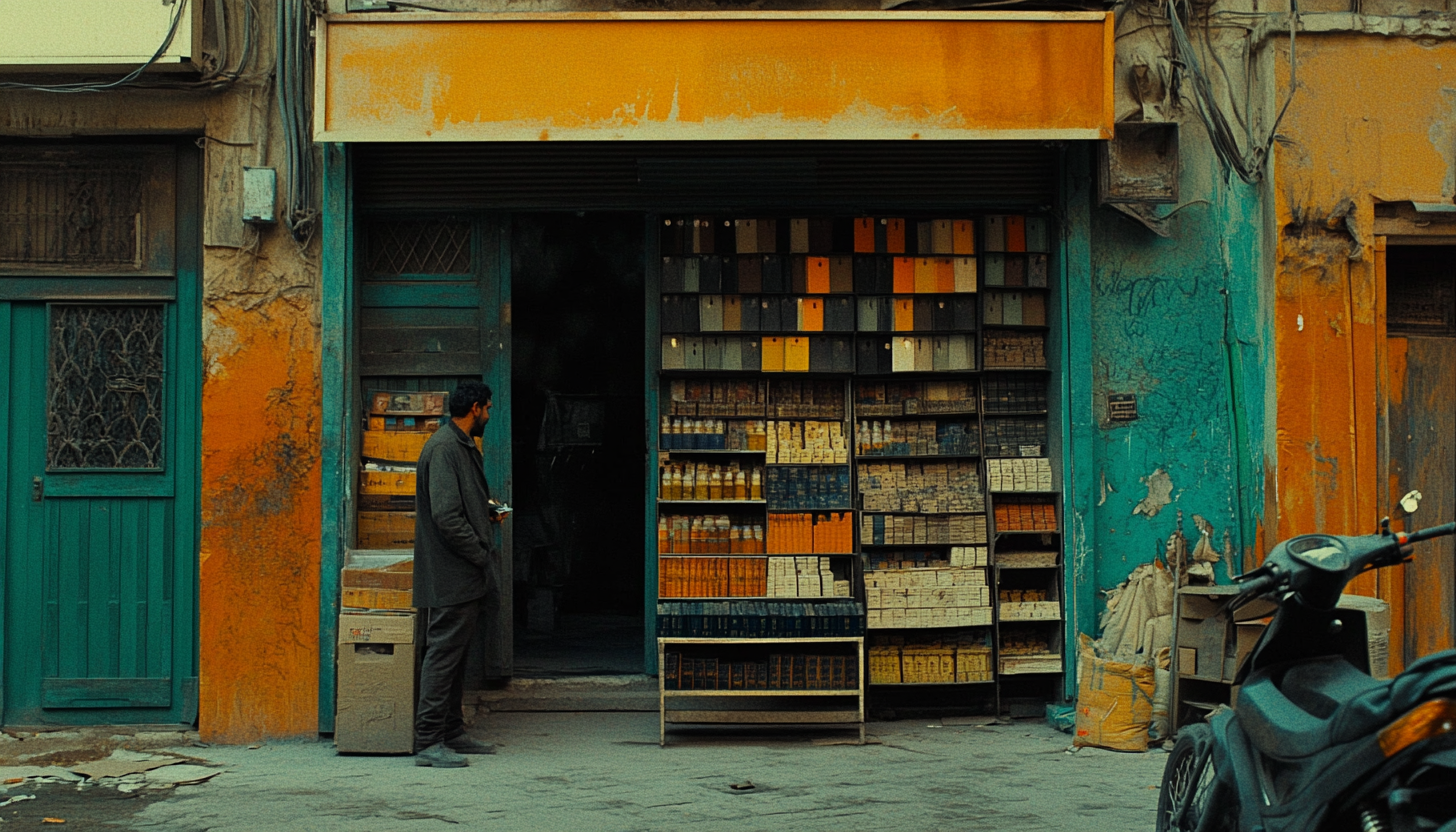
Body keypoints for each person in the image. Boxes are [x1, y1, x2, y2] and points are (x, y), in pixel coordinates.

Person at [412, 381, 504, 767]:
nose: (489, 415)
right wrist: (480, 553)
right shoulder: (447, 447)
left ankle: (451, 732)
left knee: (456, 655)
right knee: (443, 655)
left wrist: (485, 512)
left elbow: (459, 506)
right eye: (488, 408)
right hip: (454, 571)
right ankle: (428, 741)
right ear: (476, 408)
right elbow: (446, 516)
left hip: (460, 572)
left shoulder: (460, 445)